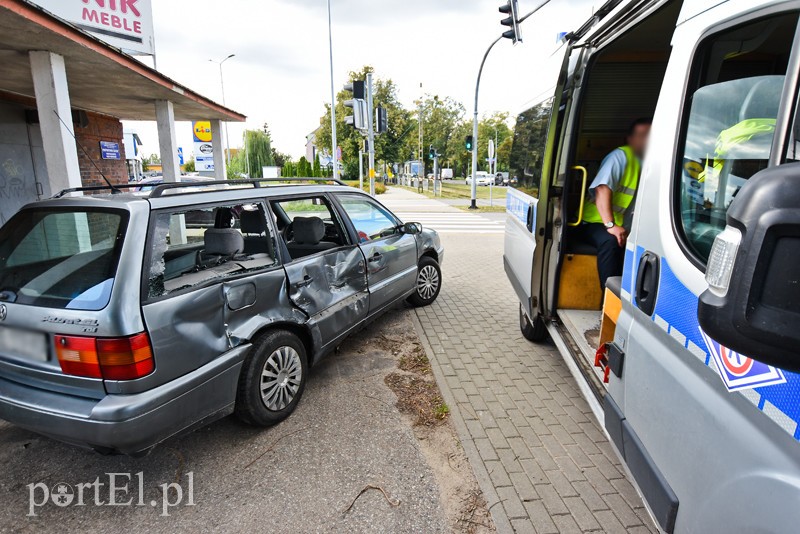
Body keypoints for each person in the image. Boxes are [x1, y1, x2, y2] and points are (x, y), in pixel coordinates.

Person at [577, 118, 652, 291]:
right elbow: (602, 189)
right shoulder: (620, 156)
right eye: (641, 135)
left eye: (650, 135)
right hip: (594, 222)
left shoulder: (653, 163)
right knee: (610, 242)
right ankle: (608, 302)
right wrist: (610, 225)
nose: (646, 139)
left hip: (624, 225)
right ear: (630, 139)